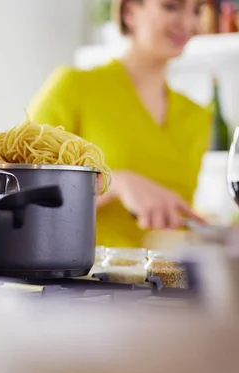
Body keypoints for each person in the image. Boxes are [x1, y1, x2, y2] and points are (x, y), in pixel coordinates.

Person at [28, 0, 210, 247]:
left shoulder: (197, 116)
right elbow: (24, 194)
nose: (189, 23)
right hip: (86, 279)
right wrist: (115, 183)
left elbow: (181, 220)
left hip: (170, 280)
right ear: (130, 12)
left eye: (197, 10)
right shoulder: (73, 88)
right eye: (171, 6)